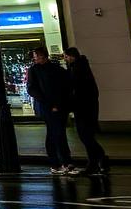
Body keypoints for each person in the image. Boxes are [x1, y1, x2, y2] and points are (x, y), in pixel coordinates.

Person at [28, 45, 79, 175]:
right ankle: (65, 162)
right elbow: (33, 89)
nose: (36, 59)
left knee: (54, 133)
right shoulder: (43, 69)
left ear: (42, 56)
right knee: (58, 133)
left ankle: (57, 163)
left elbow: (34, 89)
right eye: (35, 57)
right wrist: (51, 103)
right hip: (50, 106)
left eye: (37, 56)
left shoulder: (45, 69)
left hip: (54, 106)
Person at [64, 46, 109, 175]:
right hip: (89, 107)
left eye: (66, 57)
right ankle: (96, 162)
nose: (66, 59)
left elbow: (77, 89)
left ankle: (99, 159)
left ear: (72, 56)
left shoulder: (77, 69)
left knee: (85, 136)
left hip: (83, 108)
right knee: (87, 136)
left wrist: (71, 104)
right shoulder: (82, 67)